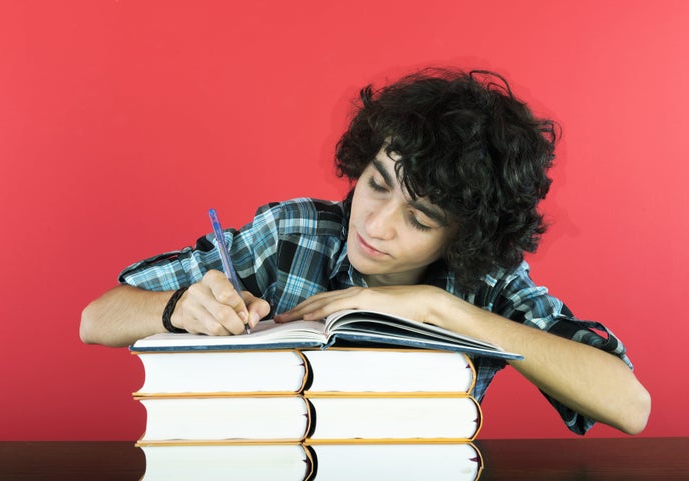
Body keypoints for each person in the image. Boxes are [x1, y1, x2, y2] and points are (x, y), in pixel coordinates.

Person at [80, 68, 650, 435]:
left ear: (462, 236)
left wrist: (439, 309)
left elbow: (630, 406)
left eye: (420, 218)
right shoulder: (293, 232)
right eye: (377, 184)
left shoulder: (486, 283)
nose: (375, 224)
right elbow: (96, 318)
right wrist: (176, 306)